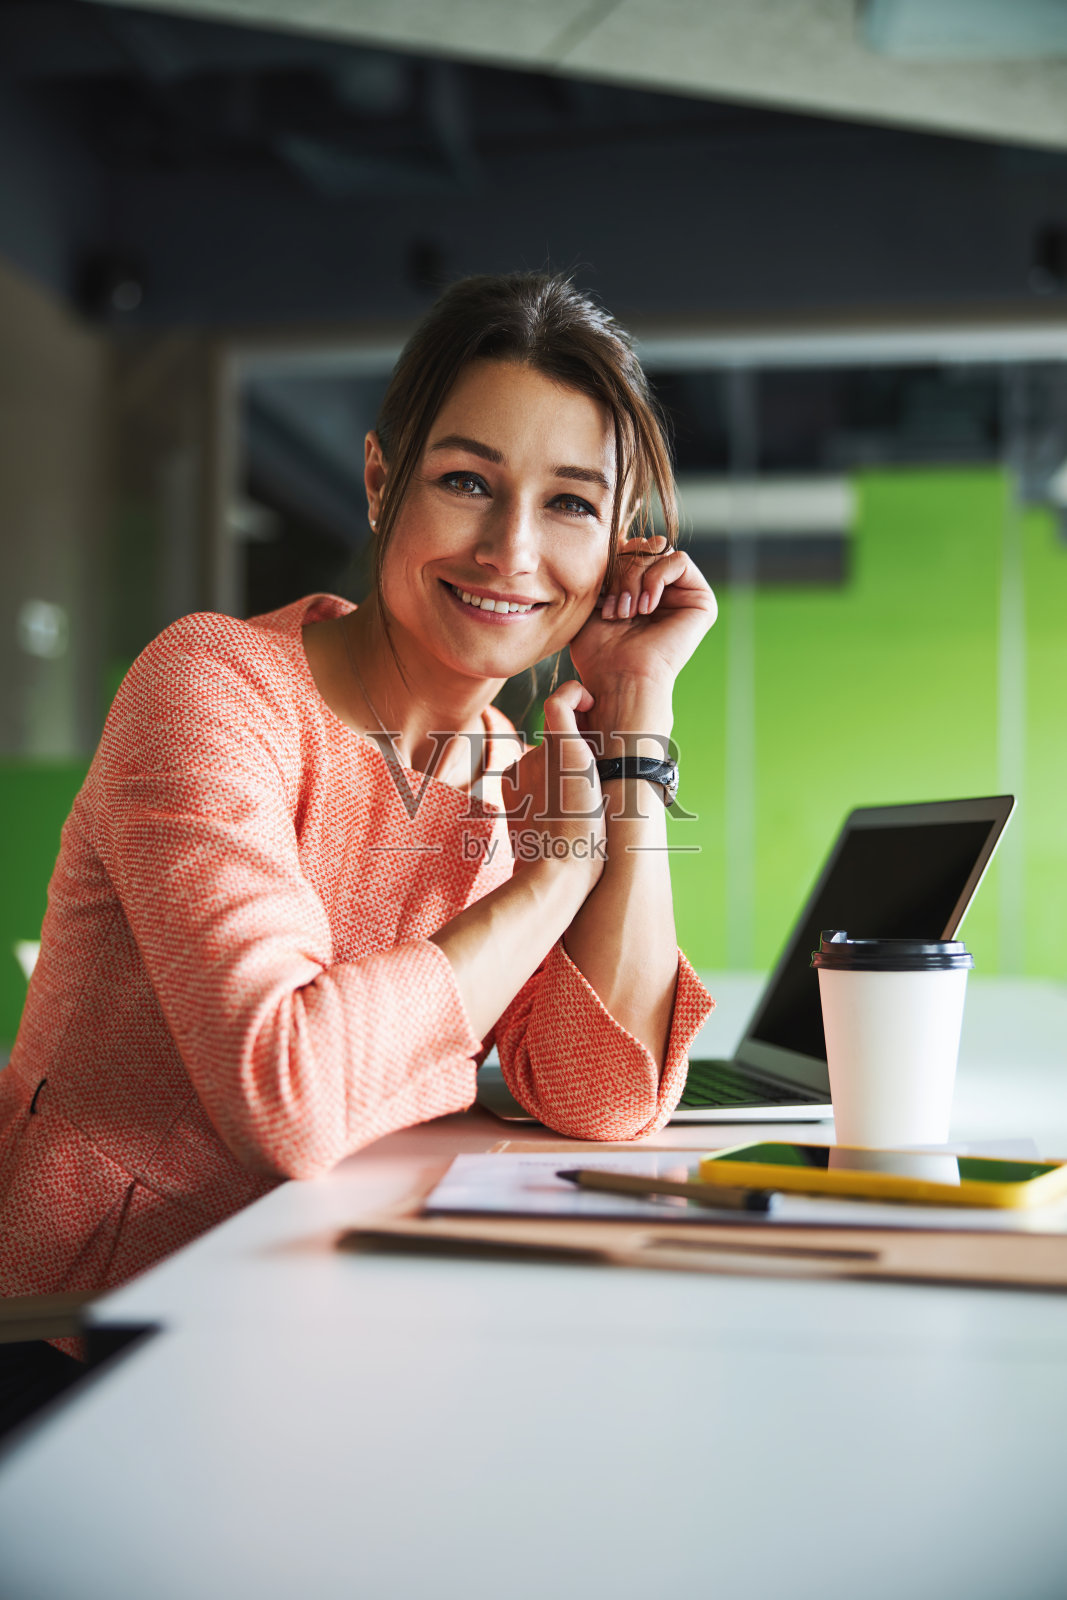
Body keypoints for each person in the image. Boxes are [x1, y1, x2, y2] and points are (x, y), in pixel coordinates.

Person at [0, 273, 717, 1418]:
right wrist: (554, 878)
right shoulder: (215, 687)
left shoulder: (506, 762)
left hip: (318, 1320)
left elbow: (604, 1091)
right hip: (75, 1338)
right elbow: (286, 1094)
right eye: (467, 481)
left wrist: (635, 717)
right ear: (382, 481)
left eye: (569, 505)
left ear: (613, 548)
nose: (511, 550)